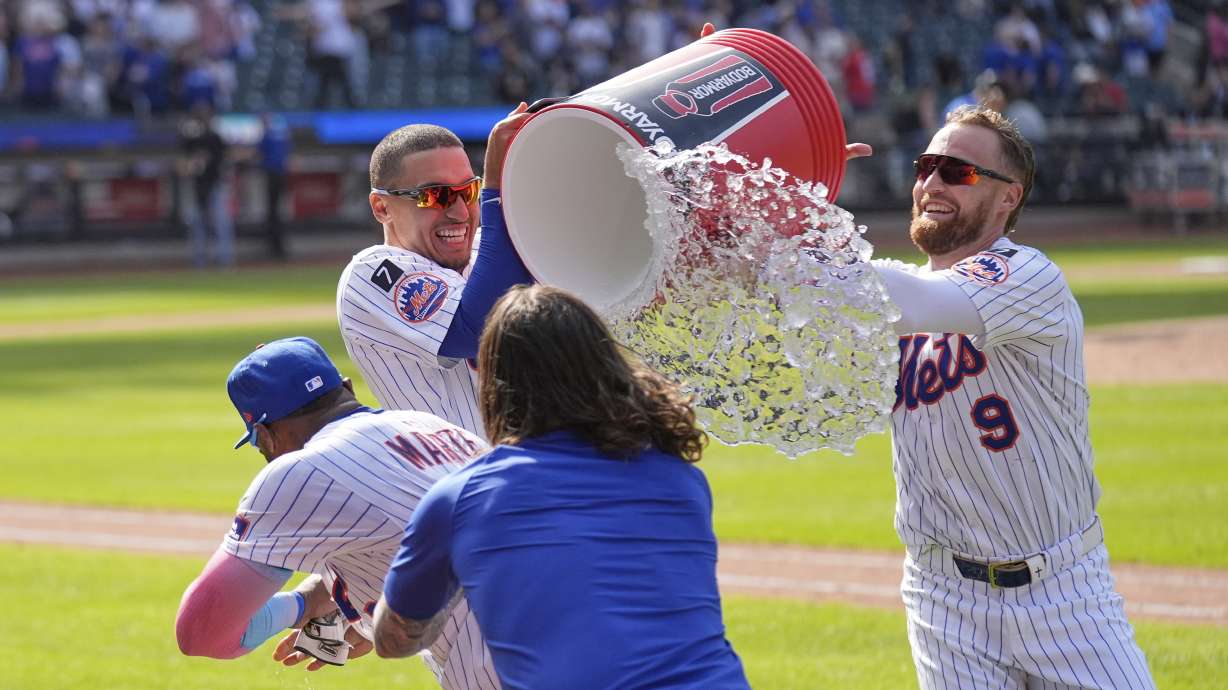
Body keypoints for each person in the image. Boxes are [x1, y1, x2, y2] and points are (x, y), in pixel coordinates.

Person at [870, 106, 1156, 689]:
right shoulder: (899, 297)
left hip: (1063, 592)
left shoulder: (1027, 275)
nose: (932, 183)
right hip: (942, 597)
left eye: (959, 172)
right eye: (927, 166)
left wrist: (799, 225)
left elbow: (910, 303)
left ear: (1008, 198)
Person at [370, 285, 751, 690]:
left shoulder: (462, 497)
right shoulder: (679, 477)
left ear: (493, 382)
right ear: (605, 364)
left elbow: (393, 639)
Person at [174, 336, 500, 689]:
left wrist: (297, 607)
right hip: (557, 620)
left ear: (266, 437)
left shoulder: (301, 470)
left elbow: (201, 631)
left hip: (505, 656)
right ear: (346, 387)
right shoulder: (435, 427)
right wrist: (331, 593)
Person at [336, 105, 536, 438]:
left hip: (540, 471)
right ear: (382, 207)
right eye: (435, 196)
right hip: (462, 479)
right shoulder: (370, 272)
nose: (459, 212)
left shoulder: (488, 248)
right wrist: (496, 189)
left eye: (467, 191)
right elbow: (475, 328)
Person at [179, 105, 234, 268]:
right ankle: (199, 259)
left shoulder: (216, 138)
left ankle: (223, 259)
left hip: (215, 184)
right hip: (197, 186)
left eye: (206, 117)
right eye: (201, 117)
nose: (204, 120)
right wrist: (190, 166)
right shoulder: (191, 140)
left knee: (221, 223)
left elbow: (224, 160)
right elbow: (183, 165)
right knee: (197, 224)